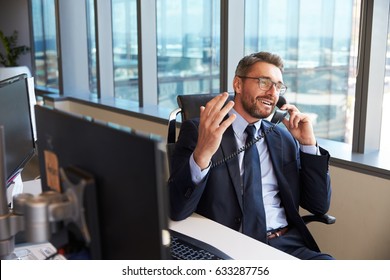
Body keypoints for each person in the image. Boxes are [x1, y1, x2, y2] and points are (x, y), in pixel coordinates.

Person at [168, 51, 334, 260]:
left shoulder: (282, 136)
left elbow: (318, 205)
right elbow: (175, 209)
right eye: (264, 82)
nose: (272, 92)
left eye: (278, 86)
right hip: (230, 247)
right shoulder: (202, 131)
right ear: (238, 84)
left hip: (286, 245)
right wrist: (202, 153)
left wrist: (308, 145)